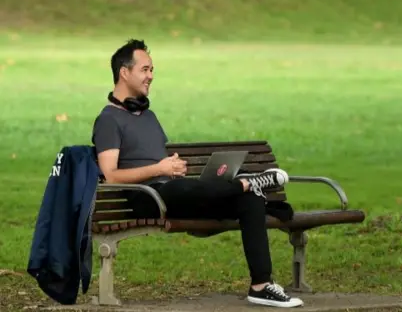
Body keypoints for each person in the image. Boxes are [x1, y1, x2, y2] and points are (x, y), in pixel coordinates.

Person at [91, 39, 304, 308]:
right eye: (145, 70)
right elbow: (111, 176)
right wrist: (160, 168)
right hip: (145, 198)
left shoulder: (148, 116)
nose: (151, 76)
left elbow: (161, 164)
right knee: (184, 189)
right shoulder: (108, 120)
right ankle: (249, 183)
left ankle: (261, 286)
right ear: (124, 72)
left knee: (249, 201)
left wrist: (174, 166)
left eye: (152, 70)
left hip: (172, 192)